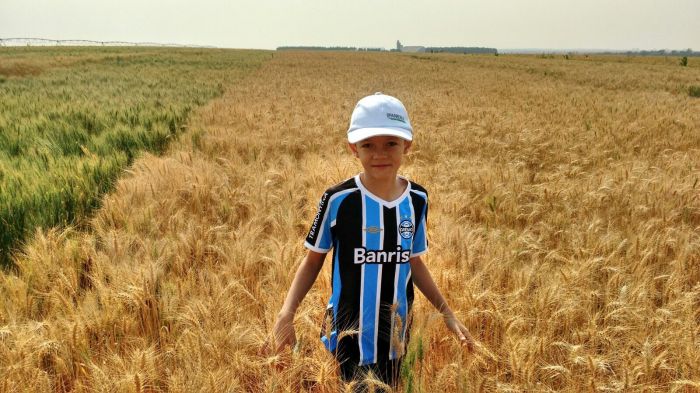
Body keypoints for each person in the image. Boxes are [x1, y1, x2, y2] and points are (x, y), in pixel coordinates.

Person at [267, 92, 474, 391]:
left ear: (407, 145)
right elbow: (313, 260)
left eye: (391, 143)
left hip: (396, 337)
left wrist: (448, 314)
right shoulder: (338, 200)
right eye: (368, 145)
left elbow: (414, 262)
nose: (380, 154)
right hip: (348, 337)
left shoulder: (417, 200)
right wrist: (286, 313)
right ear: (354, 148)